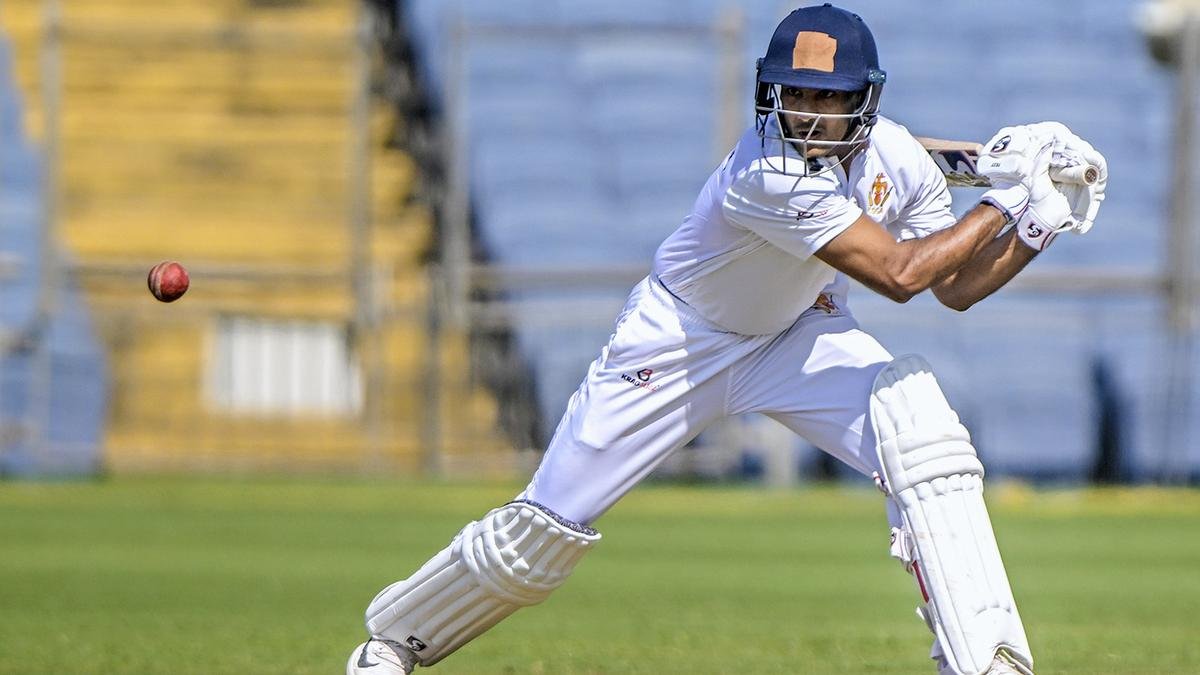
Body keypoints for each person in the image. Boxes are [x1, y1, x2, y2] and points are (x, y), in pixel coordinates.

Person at [346, 4, 1107, 674]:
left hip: (797, 334)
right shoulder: (766, 173)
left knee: (923, 434)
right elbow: (903, 274)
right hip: (678, 341)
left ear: (862, 101)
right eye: (794, 93)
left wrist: (1039, 217)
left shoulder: (896, 155)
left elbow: (957, 287)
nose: (806, 114)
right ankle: (394, 643)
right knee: (539, 538)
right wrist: (1007, 192)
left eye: (827, 97)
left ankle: (985, 659)